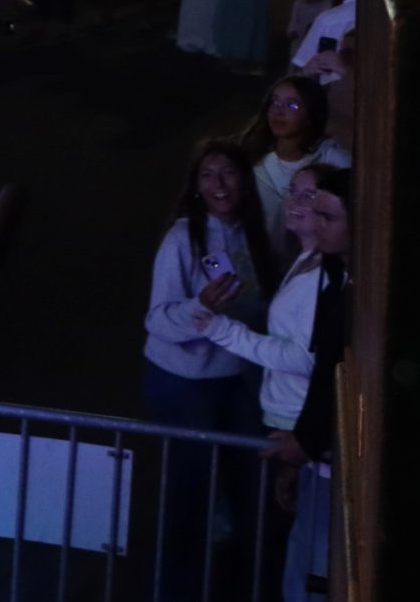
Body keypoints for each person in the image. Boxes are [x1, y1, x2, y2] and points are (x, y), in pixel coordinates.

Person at [196, 164, 351, 602]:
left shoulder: (326, 275)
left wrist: (225, 332)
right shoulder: (308, 261)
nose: (298, 203)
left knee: (308, 554)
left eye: (311, 197)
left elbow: (306, 358)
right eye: (294, 192)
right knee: (296, 544)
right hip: (297, 424)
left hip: (304, 426)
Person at [143, 140, 275, 601]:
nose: (219, 184)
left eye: (228, 173)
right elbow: (156, 318)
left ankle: (234, 588)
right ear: (196, 186)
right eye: (208, 175)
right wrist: (200, 306)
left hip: (235, 380)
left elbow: (256, 307)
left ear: (245, 180)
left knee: (247, 493)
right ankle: (176, 592)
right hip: (184, 384)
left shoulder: (252, 234)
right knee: (189, 496)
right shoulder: (182, 238)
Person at [242, 75, 349, 241]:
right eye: (274, 102)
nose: (278, 110)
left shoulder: (332, 158)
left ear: (310, 115)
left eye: (291, 105)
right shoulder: (255, 160)